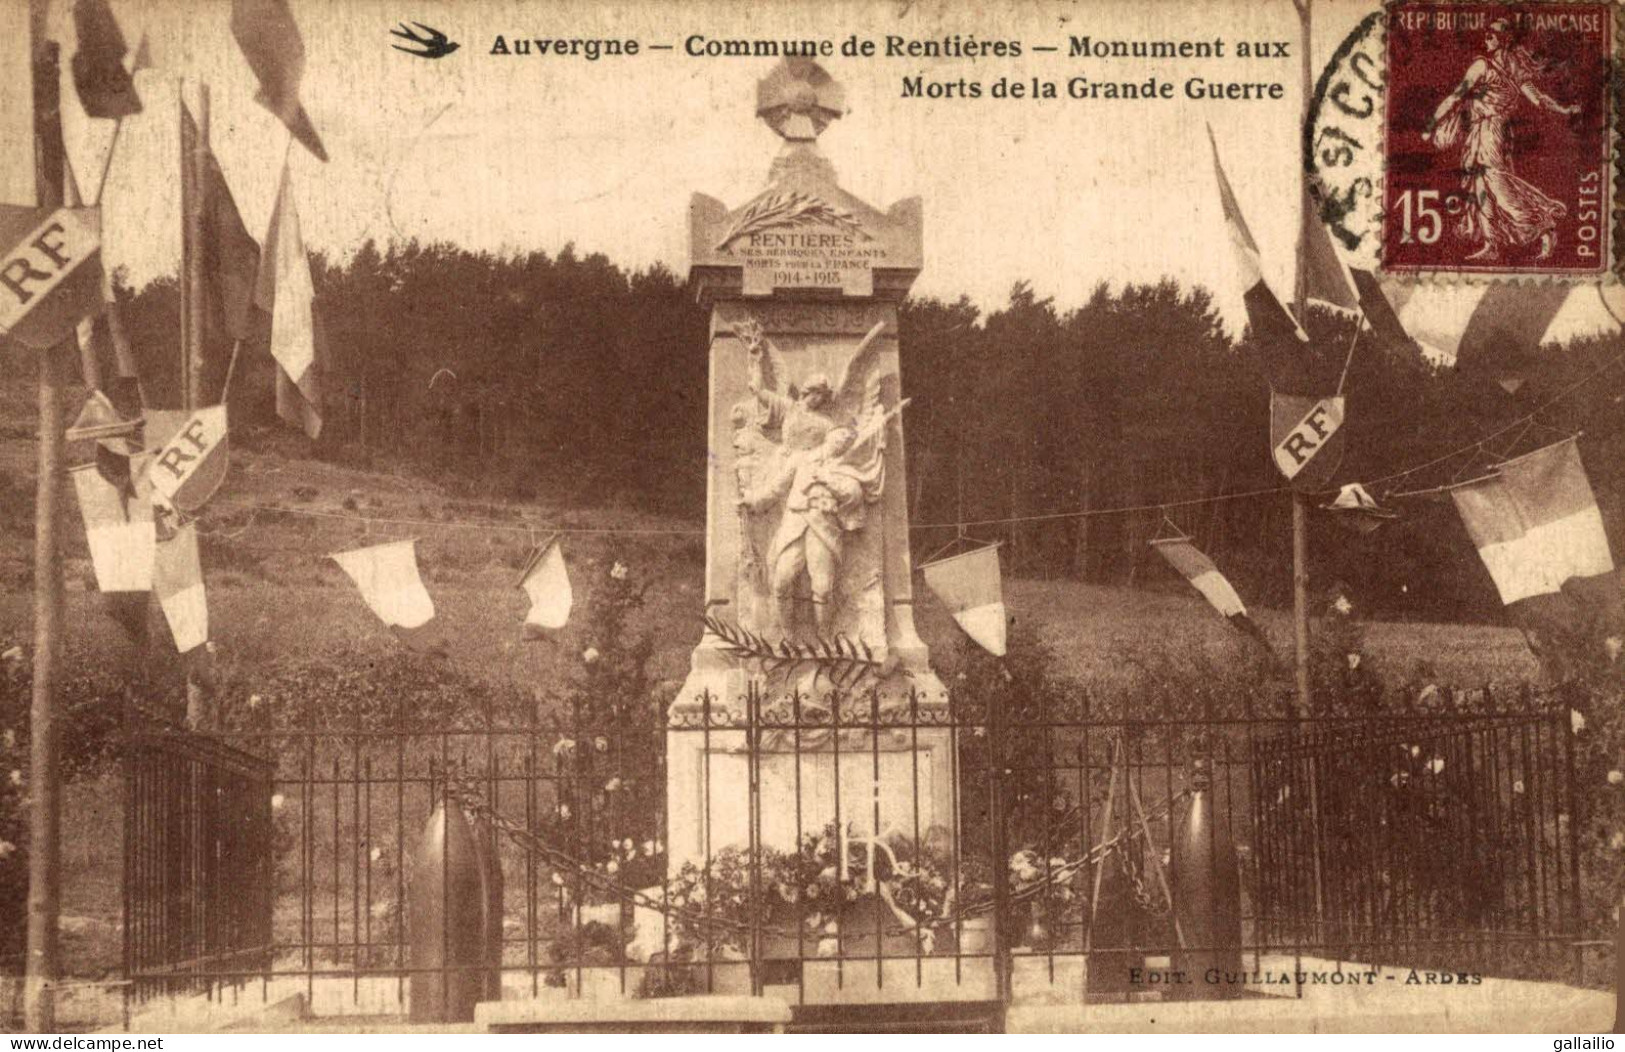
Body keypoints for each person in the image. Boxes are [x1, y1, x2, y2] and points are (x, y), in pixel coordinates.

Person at [1423, 19, 1580, 261]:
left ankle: (1543, 222)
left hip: (1492, 131)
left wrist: (1564, 110)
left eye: (1492, 33)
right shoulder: (1487, 66)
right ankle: (1491, 242)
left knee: (1496, 182)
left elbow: (1538, 99)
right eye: (1486, 32)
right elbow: (1457, 96)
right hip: (1480, 130)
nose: (1486, 37)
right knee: (1479, 185)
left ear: (1504, 39)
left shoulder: (1495, 68)